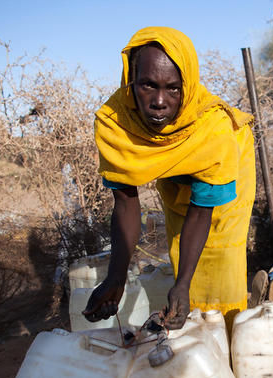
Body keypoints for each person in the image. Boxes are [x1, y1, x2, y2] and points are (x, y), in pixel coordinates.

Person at [82, 27, 255, 330]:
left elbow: (202, 210)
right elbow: (125, 204)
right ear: (130, 81)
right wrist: (116, 276)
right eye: (148, 85)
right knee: (179, 247)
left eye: (173, 88)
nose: (160, 101)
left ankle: (226, 332)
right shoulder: (115, 124)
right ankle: (192, 325)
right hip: (177, 176)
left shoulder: (212, 129)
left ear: (186, 86)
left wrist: (183, 283)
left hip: (227, 167)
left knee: (221, 255)